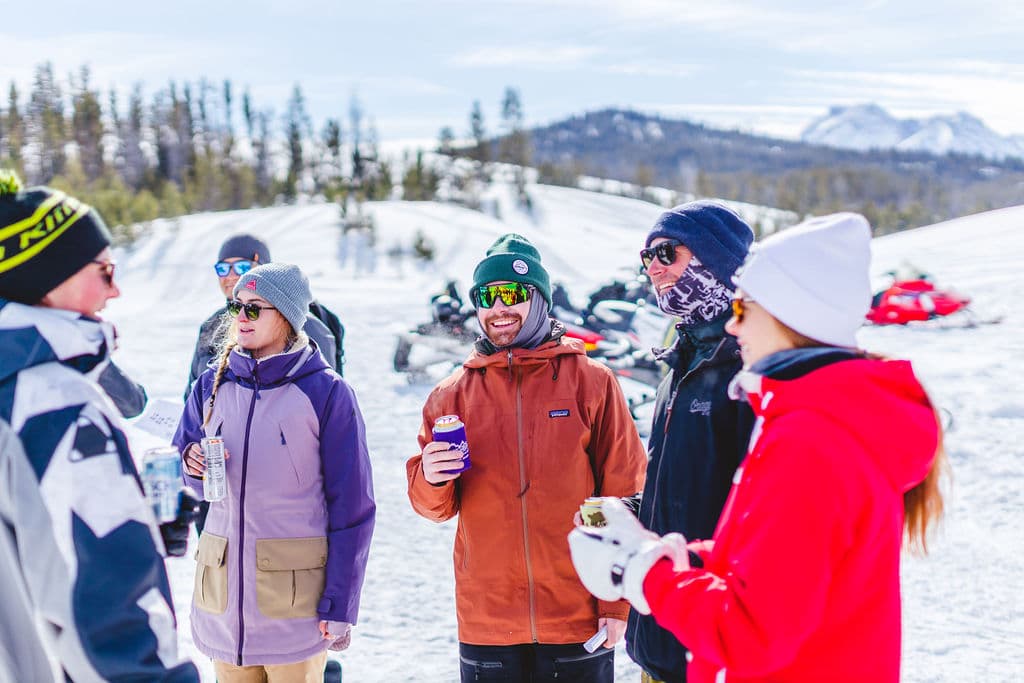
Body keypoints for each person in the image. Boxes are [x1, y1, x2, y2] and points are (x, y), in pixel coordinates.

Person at [569, 213, 947, 683]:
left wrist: (642, 567)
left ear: (791, 313)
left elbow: (752, 630)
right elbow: (774, 560)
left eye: (745, 310)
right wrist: (654, 541)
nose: (733, 326)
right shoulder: (822, 416)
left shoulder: (810, 437)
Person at [406, 233, 647, 682]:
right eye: (486, 296)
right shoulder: (451, 394)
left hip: (576, 613)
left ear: (538, 299)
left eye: (511, 294)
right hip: (488, 620)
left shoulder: (590, 382)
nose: (498, 309)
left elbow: (623, 493)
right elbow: (431, 507)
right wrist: (432, 478)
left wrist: (615, 601)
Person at [0, 170, 199, 681]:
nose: (116, 290)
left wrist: (134, 519)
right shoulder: (52, 401)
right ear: (46, 280)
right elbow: (110, 620)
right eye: (105, 271)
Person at [173, 262, 375, 681]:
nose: (240, 318)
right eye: (236, 308)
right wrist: (190, 464)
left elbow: (353, 508)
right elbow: (184, 469)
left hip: (294, 610)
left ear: (285, 315)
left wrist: (340, 605)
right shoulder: (210, 385)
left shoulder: (327, 393)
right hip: (223, 605)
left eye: (254, 308)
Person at [625, 200, 755, 683]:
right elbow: (688, 487)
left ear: (715, 261)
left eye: (666, 253)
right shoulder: (679, 364)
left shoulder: (749, 372)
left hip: (716, 647)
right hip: (660, 638)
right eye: (646, 258)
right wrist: (632, 512)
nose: (653, 268)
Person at [184, 233, 345, 401]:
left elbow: (325, 400)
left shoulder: (299, 323)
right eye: (223, 268)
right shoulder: (211, 326)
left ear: (264, 268)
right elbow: (192, 393)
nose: (230, 276)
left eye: (242, 267)